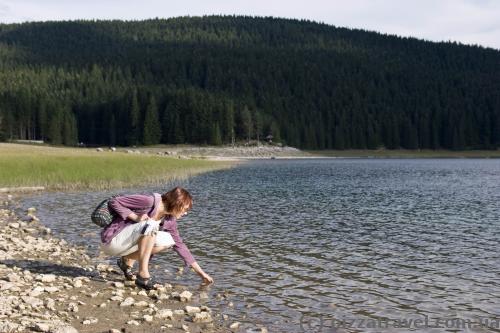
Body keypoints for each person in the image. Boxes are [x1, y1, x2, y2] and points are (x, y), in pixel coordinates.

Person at [100, 186, 213, 290]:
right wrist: (135, 217)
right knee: (151, 225)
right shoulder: (149, 201)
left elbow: (180, 246)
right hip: (112, 240)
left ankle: (127, 260)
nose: (185, 213)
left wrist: (201, 273)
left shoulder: (169, 220)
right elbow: (114, 202)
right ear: (177, 203)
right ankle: (143, 275)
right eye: (185, 209)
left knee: (169, 240)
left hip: (126, 245)